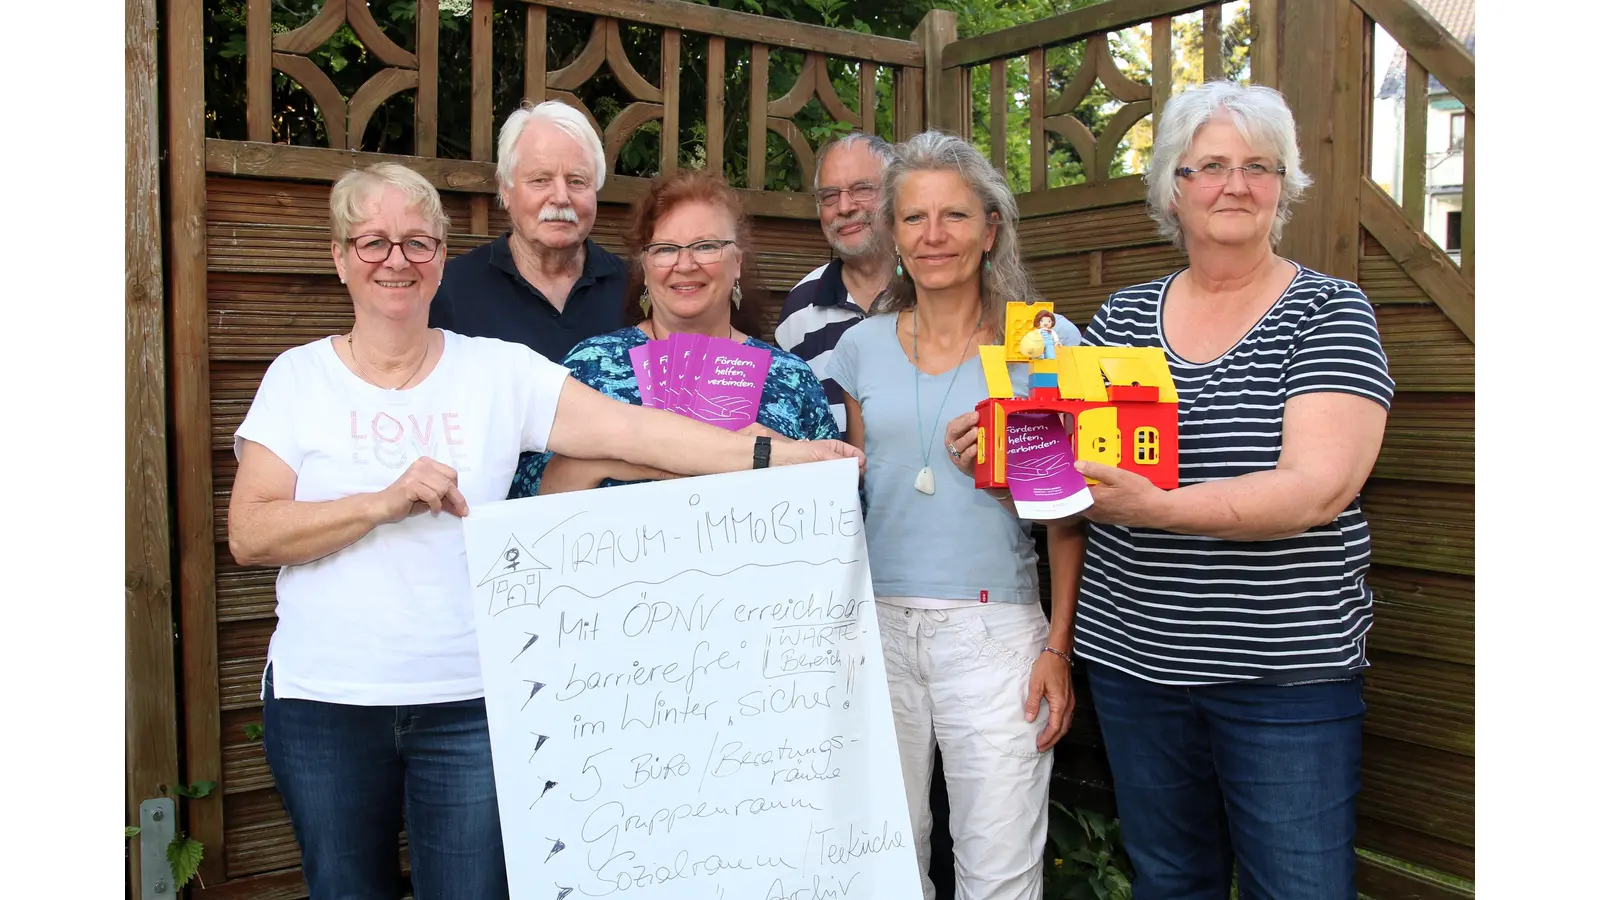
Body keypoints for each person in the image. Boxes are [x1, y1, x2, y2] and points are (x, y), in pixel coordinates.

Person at [226, 162, 862, 900]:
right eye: (372, 242)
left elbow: (640, 433)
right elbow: (251, 533)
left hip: (477, 702)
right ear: (341, 258)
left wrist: (780, 455)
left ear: (442, 260)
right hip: (323, 703)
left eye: (417, 243)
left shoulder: (499, 371)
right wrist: (381, 502)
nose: (395, 260)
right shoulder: (298, 378)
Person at [1073, 81, 1392, 900]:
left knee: (1300, 889)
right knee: (1171, 881)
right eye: (1210, 165)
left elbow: (1318, 489)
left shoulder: (1329, 311)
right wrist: (1006, 464)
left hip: (1284, 675)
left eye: (1260, 165)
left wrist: (1158, 510)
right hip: (1136, 665)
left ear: (1284, 187)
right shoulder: (1121, 320)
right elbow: (1080, 476)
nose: (1236, 184)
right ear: (1172, 188)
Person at [829, 130, 1083, 900]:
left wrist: (1058, 649)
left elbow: (1066, 517)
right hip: (875, 627)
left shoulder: (1038, 344)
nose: (933, 237)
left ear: (990, 228)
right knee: (884, 860)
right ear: (894, 236)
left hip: (996, 635)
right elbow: (856, 494)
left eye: (954, 216)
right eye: (913, 219)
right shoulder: (860, 347)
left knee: (1000, 872)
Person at [513, 169, 839, 497]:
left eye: (706, 246)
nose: (685, 264)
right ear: (643, 267)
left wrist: (784, 459)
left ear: (737, 261)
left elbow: (845, 505)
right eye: (666, 249)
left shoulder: (790, 377)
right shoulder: (590, 365)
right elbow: (520, 497)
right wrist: (611, 461)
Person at [428, 100, 627, 362]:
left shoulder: (633, 289)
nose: (560, 197)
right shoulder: (452, 291)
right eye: (540, 180)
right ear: (505, 191)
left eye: (576, 181)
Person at [776, 132, 896, 431]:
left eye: (862, 189)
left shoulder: (930, 287)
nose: (844, 207)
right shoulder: (800, 306)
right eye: (830, 196)